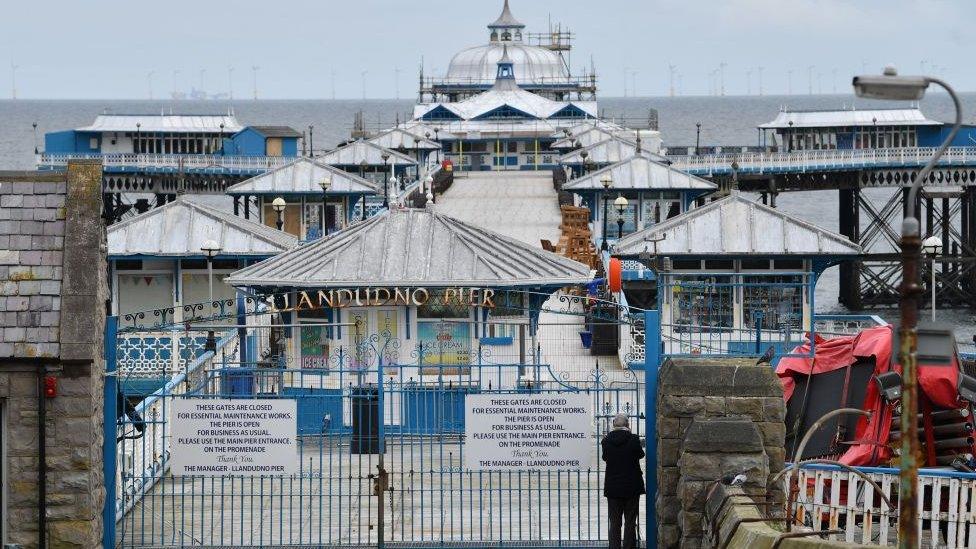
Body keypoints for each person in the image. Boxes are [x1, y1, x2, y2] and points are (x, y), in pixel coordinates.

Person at [602, 412, 644, 549]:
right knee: (630, 521)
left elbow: (605, 457)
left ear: (613, 425)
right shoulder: (634, 439)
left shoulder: (606, 441)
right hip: (631, 487)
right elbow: (640, 454)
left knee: (614, 522)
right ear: (628, 425)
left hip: (613, 488)